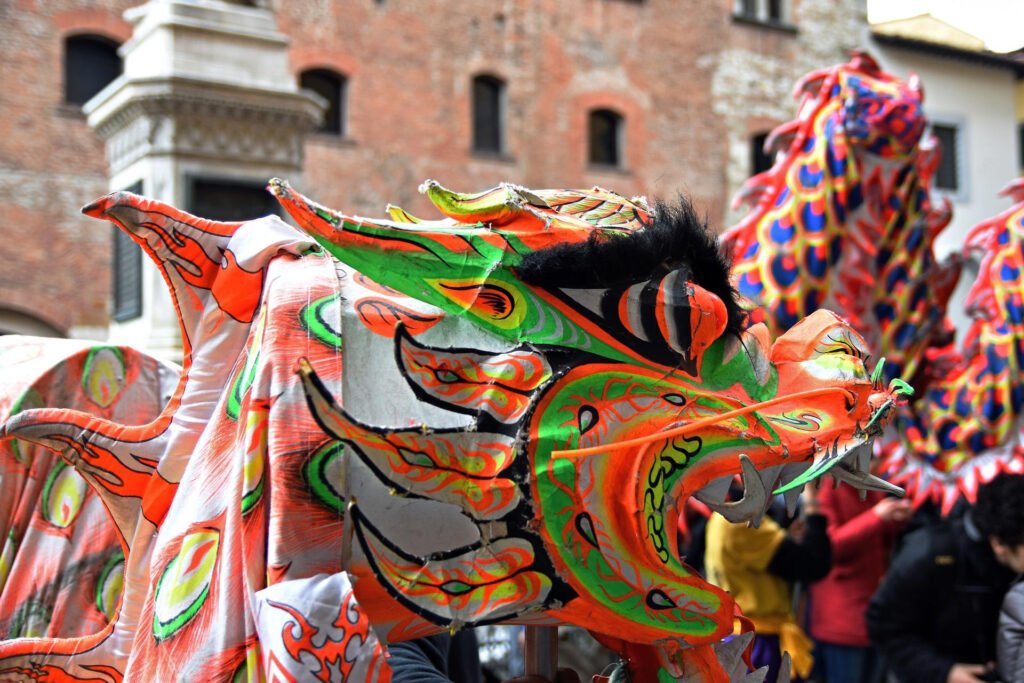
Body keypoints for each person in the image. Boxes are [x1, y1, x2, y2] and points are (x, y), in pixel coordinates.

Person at [867, 473, 1024, 683]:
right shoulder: (929, 554)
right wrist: (944, 671)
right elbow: (883, 623)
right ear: (999, 544)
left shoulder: (1009, 556)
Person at [704, 481, 831, 683]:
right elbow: (813, 564)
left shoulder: (723, 518)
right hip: (756, 645)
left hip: (743, 637)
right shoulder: (742, 522)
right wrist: (812, 506)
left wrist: (788, 540)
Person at [807, 480, 911, 683]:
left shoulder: (871, 487)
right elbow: (828, 548)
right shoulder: (829, 489)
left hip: (873, 615)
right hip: (842, 620)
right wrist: (876, 517)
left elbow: (878, 542)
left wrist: (895, 518)